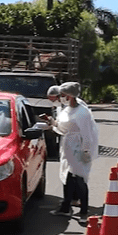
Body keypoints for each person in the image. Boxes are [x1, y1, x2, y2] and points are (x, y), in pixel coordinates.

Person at [48, 82, 99, 225]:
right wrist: (52, 123)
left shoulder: (82, 113)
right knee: (67, 177)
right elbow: (63, 127)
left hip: (78, 148)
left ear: (69, 96)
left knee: (80, 179)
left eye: (62, 96)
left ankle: (84, 210)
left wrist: (86, 151)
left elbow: (87, 134)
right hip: (68, 147)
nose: (61, 98)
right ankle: (66, 207)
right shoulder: (67, 110)